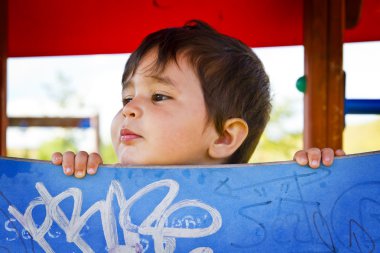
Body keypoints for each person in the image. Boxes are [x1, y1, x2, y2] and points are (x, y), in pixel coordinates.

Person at [51, 20, 345, 178]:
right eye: (127, 98)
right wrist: (73, 176)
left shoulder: (263, 201)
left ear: (224, 137)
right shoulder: (100, 188)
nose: (130, 110)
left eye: (159, 96)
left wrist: (324, 180)